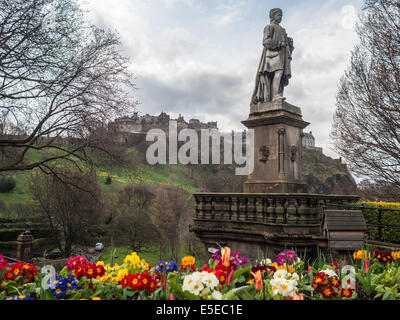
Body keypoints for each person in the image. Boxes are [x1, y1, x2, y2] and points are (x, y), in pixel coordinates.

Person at [251, 8, 294, 104]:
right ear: (273, 16)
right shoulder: (269, 27)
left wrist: (289, 43)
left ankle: (276, 95)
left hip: (281, 55)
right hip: (271, 56)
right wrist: (279, 43)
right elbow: (265, 41)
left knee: (280, 74)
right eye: (279, 15)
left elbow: (285, 43)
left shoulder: (283, 30)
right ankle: (275, 96)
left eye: (281, 16)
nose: (281, 17)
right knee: (278, 72)